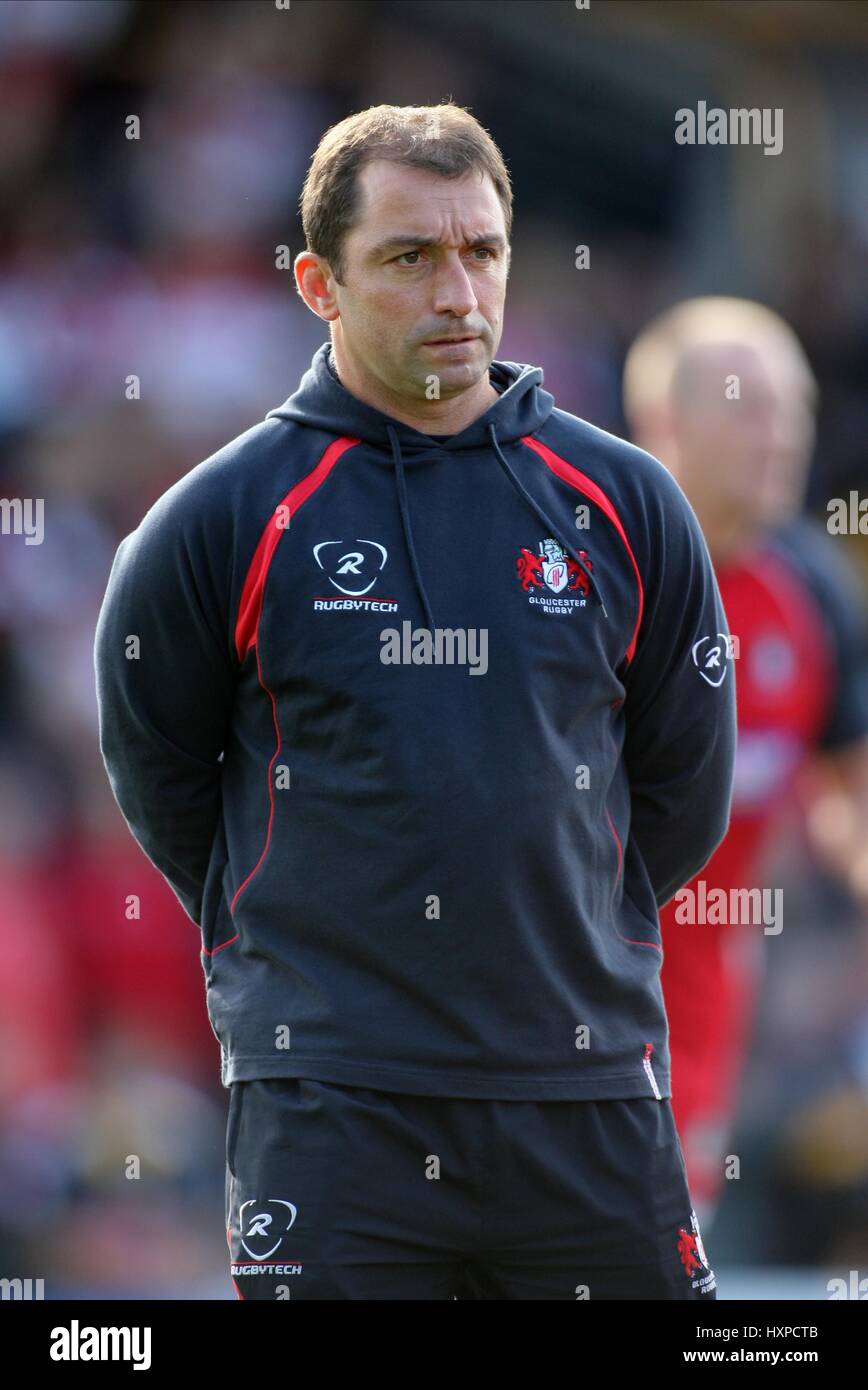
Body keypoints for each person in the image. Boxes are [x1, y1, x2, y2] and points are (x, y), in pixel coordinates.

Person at [93, 102, 735, 1300]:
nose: (457, 291)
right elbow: (169, 791)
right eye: (407, 257)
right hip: (333, 1112)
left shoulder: (627, 504)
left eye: (480, 252)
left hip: (585, 1092)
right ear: (316, 284)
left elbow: (679, 800)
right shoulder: (218, 523)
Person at [623, 297, 868, 1224]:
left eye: (796, 410)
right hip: (549, 990)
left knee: (671, 1254)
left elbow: (851, 791)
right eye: (752, 406)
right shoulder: (592, 575)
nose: (783, 437)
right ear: (663, 423)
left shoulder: (810, 587)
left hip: (704, 1001)